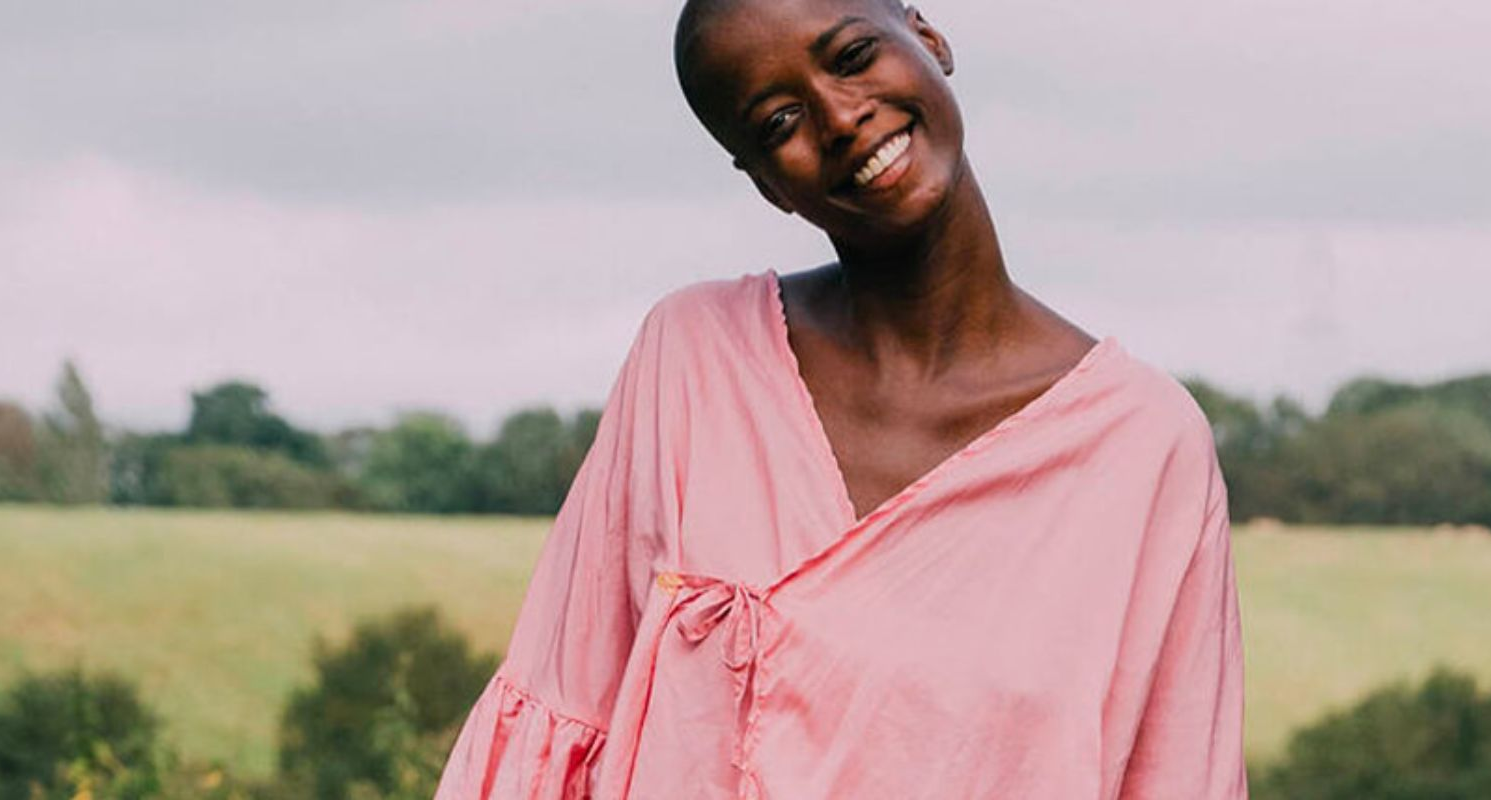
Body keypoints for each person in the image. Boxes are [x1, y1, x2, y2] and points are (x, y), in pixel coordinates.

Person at [434, 0, 1247, 796]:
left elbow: (1179, 774)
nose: (840, 118)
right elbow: (560, 708)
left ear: (928, 37)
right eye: (779, 121)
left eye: (853, 57)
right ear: (766, 186)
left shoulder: (1143, 444)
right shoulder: (691, 358)